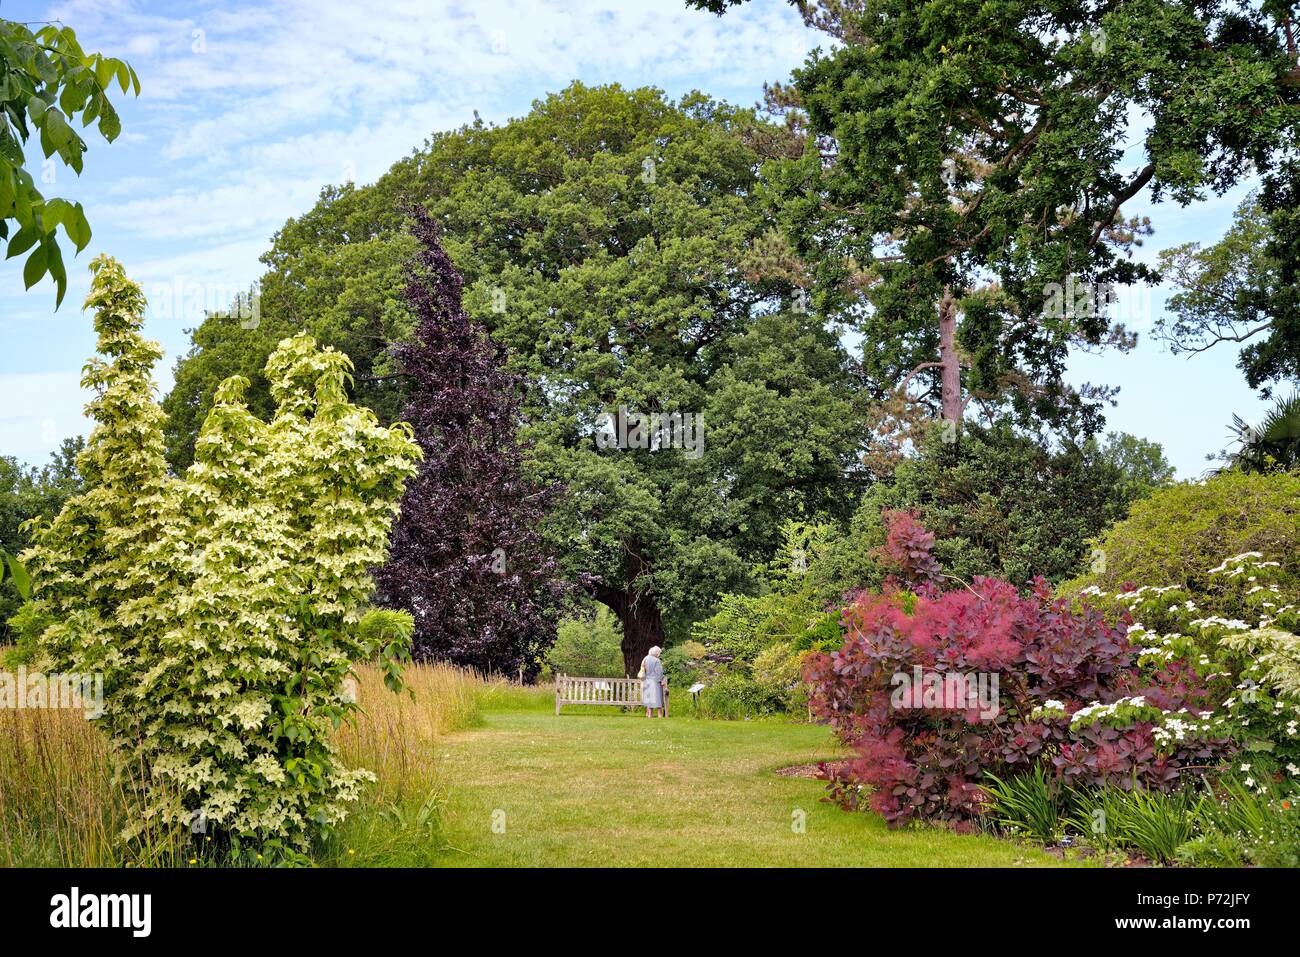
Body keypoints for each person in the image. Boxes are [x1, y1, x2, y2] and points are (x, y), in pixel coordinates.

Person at [640, 646, 666, 718]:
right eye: (659, 653)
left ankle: (650, 714)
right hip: (655, 681)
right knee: (658, 698)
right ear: (657, 653)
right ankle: (659, 714)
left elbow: (643, 669)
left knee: (650, 698)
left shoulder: (646, 658)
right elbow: (659, 672)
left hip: (647, 680)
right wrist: (661, 679)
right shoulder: (657, 660)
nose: (659, 654)